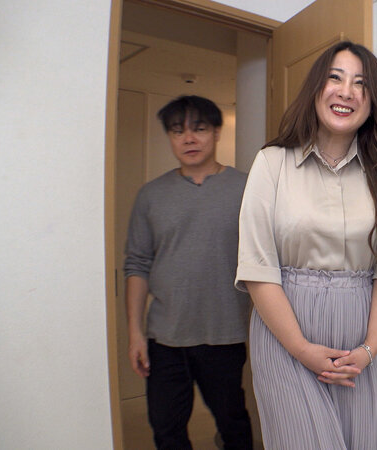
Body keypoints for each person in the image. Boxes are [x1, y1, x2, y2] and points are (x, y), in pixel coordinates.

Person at [235, 41, 377, 449]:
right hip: (286, 338)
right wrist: (301, 349)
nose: (346, 91)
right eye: (335, 78)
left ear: (372, 101)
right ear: (316, 88)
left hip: (360, 345)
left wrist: (369, 349)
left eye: (361, 84)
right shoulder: (272, 163)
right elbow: (257, 268)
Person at [124, 95, 254, 450]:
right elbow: (137, 264)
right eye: (177, 131)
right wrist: (135, 334)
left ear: (216, 132)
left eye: (199, 129)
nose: (189, 139)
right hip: (165, 337)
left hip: (225, 334)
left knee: (234, 425)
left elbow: (267, 259)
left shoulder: (247, 189)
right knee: (166, 430)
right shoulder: (151, 195)